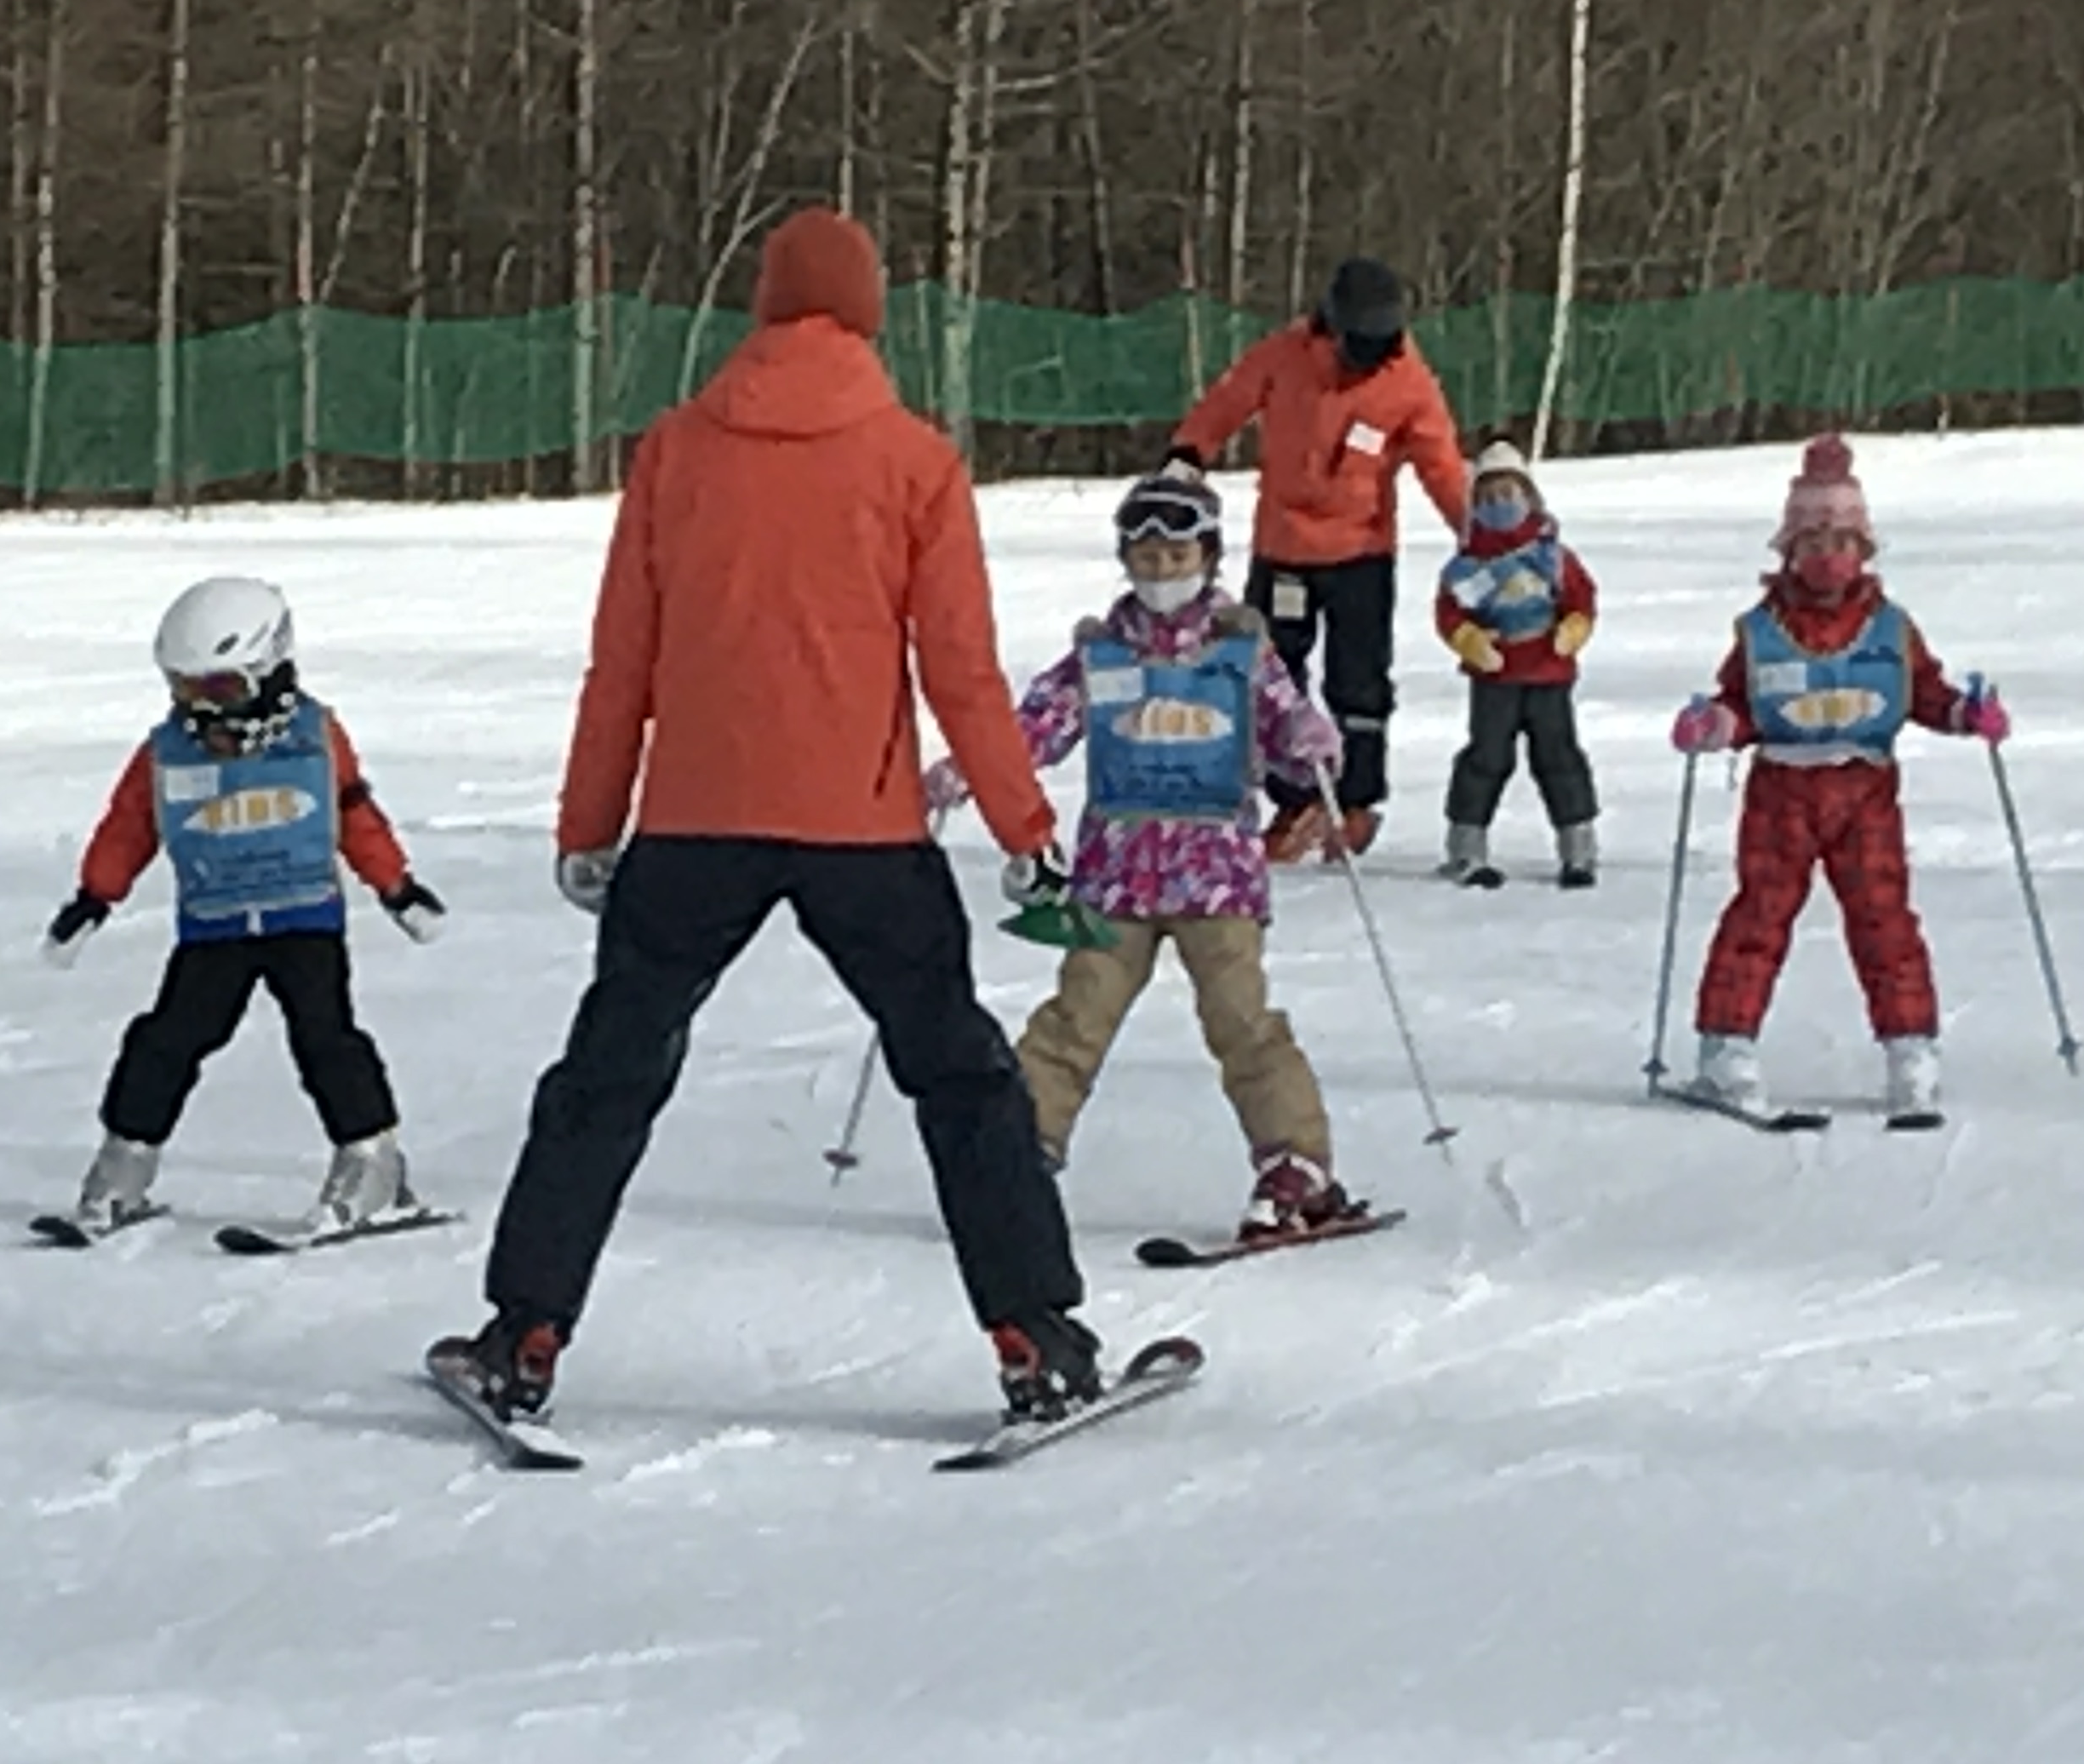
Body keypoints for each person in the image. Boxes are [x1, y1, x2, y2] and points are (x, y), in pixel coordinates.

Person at [443, 205, 1101, 1426]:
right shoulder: (915, 461)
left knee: (609, 1073)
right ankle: (1036, 1334)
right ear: (869, 313)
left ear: (759, 307)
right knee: (960, 1078)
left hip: (693, 823)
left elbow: (621, 659)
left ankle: (522, 1330)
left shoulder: (677, 452)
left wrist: (587, 822)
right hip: (864, 832)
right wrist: (1023, 825)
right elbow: (959, 667)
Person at [925, 471, 1360, 1245]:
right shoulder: (1101, 653)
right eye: (1146, 557)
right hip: (1116, 878)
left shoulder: (1240, 648)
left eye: (1176, 555)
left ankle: (1296, 1163)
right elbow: (1037, 727)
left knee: (1241, 1020)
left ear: (1208, 556)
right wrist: (974, 765)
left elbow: (1288, 723)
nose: (1161, 572)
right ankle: (1018, 1153)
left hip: (1215, 874)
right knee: (1074, 1020)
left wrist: (1309, 741)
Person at [42, 578, 444, 1238]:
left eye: (220, 690)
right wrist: (95, 896)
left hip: (303, 920)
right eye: (186, 689)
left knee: (326, 1041)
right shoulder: (166, 752)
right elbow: (130, 825)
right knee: (164, 1042)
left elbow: (353, 813)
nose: (202, 710)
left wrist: (396, 887)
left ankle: (373, 1166)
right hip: (214, 925)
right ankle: (123, 1167)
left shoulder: (315, 738)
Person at [1667, 437, 2007, 1124]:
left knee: (1883, 918)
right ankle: (1727, 1048)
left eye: (1843, 541)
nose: (1828, 556)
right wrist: (1716, 726)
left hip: (1864, 789)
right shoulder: (1762, 629)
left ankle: (1910, 1048)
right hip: (1783, 791)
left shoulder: (1891, 627)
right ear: (1789, 549)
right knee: (1759, 914)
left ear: (1864, 550)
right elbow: (1742, 701)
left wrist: (1968, 714)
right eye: (1813, 541)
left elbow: (1924, 693)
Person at [1163, 255, 1470, 862]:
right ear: (1334, 324)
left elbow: (1440, 461)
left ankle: (1355, 801)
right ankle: (1294, 798)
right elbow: (1229, 400)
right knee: (1272, 677)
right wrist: (1188, 452)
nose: (1373, 353)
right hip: (1283, 550)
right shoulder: (1285, 355)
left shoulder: (1408, 380)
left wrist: (1474, 530)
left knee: (1359, 681)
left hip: (1362, 554)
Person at [1432, 438, 1602, 891]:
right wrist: (1467, 639)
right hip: (1495, 678)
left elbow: (1582, 598)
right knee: (1486, 758)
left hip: (1548, 673)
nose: (1499, 505)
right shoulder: (1468, 568)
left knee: (1559, 758)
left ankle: (1578, 848)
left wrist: (1574, 627)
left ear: (1529, 498)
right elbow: (1450, 613)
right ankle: (1466, 848)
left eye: (1508, 495)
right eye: (1487, 498)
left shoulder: (1553, 558)